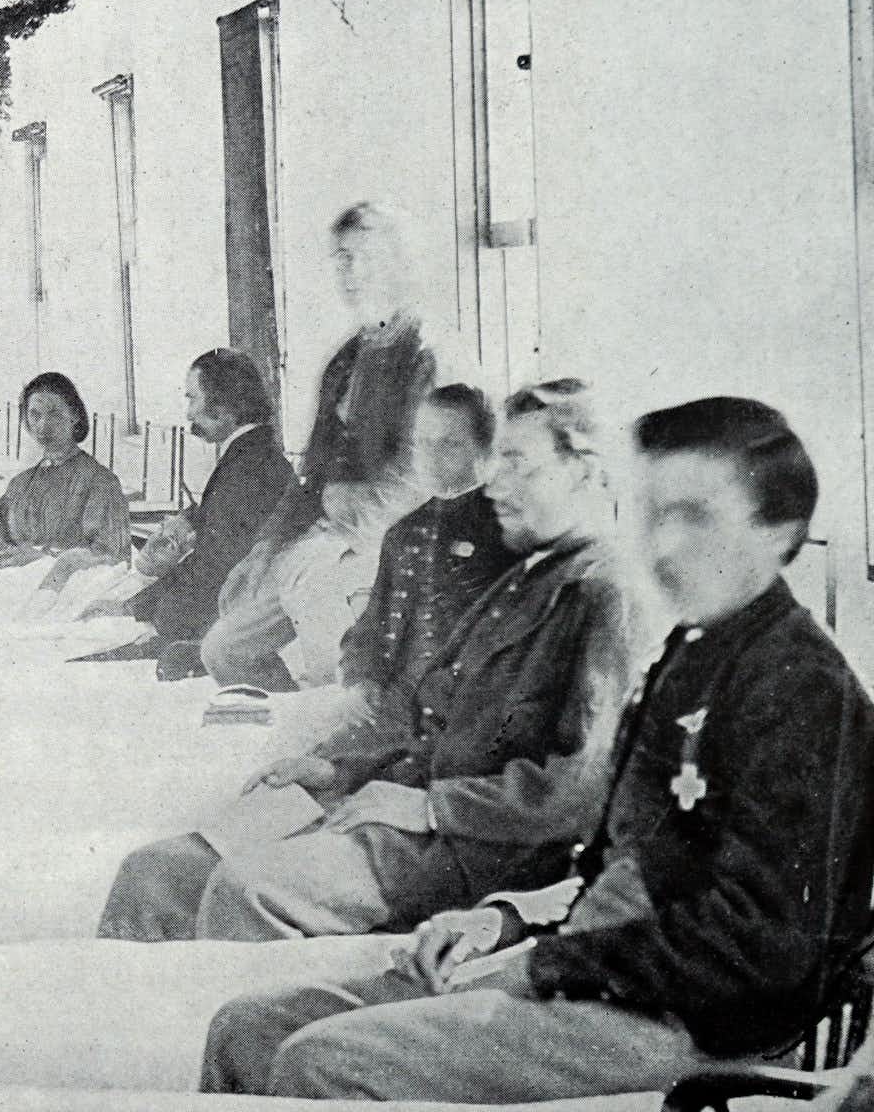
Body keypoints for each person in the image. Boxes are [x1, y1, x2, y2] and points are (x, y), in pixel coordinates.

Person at [200, 396, 872, 1104]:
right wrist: (506, 920)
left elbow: (758, 952)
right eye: (654, 514)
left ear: (782, 530)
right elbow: (624, 875)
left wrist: (548, 965)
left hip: (698, 1029)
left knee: (322, 1061)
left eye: (697, 516)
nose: (665, 546)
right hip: (608, 975)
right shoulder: (691, 655)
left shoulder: (802, 690)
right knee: (247, 1029)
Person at [100, 380, 642, 943]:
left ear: (587, 471)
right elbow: (436, 726)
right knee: (156, 874)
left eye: (517, 464)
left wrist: (430, 807)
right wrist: (337, 771)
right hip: (398, 801)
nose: (495, 484)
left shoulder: (607, 595)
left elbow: (579, 788)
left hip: (479, 848)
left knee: (249, 888)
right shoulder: (523, 581)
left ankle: (244, 1028)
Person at [202, 204, 440, 688]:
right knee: (224, 650)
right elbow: (311, 476)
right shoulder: (345, 361)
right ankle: (299, 726)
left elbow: (423, 478)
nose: (349, 272)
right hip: (323, 543)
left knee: (330, 646)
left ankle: (331, 731)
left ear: (396, 261)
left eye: (362, 257)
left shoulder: (425, 355)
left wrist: (349, 520)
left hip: (390, 542)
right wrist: (265, 548)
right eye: (341, 259)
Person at [331, 383, 522, 694]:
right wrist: (361, 679)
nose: (432, 457)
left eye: (449, 444)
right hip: (400, 702)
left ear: (485, 449)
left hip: (473, 706)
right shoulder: (403, 532)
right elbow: (371, 626)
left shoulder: (507, 530)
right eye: (423, 443)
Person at [126, 350, 294, 649]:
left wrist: (135, 611)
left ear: (223, 403)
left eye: (192, 398)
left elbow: (214, 571)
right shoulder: (251, 456)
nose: (189, 413)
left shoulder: (247, 467)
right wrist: (192, 519)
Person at [0, 372, 131, 570]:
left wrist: (42, 559)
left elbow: (113, 559)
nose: (43, 425)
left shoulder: (100, 482)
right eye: (35, 415)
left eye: (54, 414)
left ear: (74, 415)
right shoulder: (20, 484)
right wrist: (0, 557)